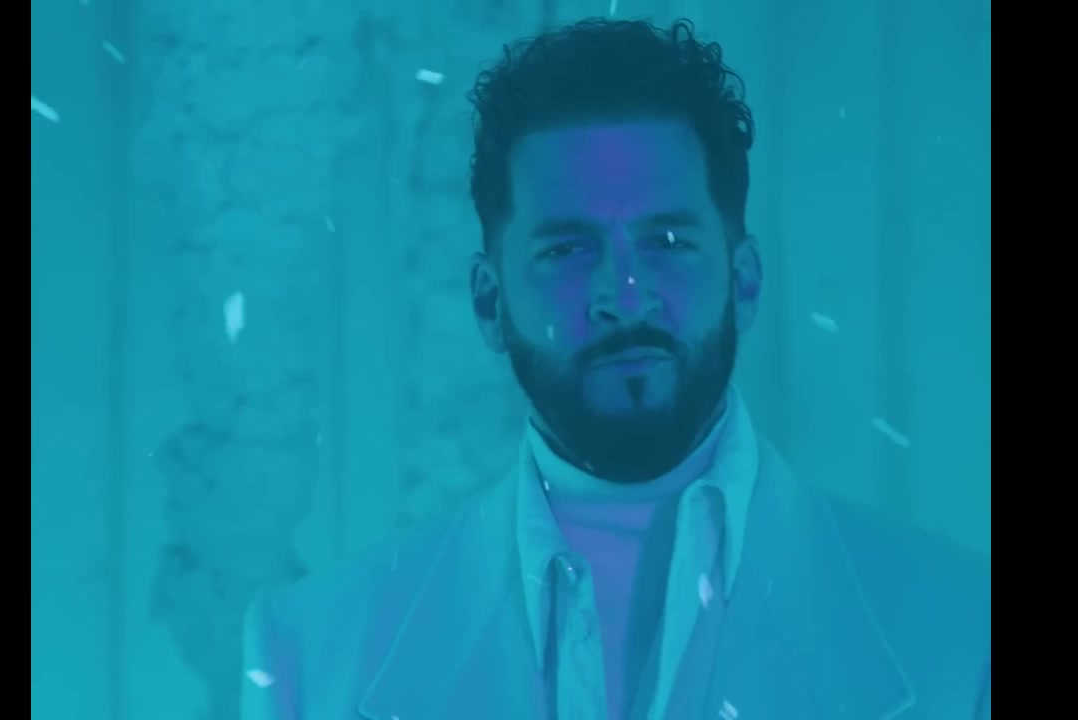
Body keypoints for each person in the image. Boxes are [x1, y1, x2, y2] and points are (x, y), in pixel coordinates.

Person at [241, 17, 990, 720]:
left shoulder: (964, 634)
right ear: (489, 302)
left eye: (667, 241)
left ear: (745, 281)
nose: (624, 295)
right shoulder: (309, 655)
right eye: (567, 249)